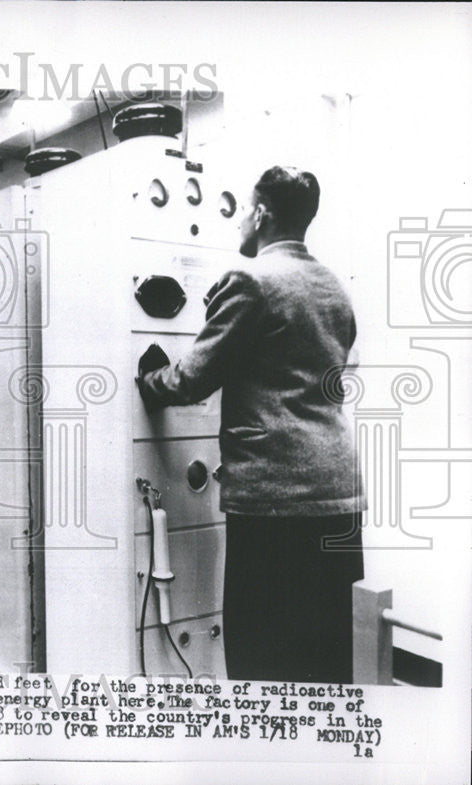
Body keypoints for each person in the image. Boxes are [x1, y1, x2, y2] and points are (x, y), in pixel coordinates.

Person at [136, 165, 366, 684]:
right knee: (329, 650)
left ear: (261, 214)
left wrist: (150, 379)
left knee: (263, 648)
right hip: (338, 492)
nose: (240, 221)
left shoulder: (250, 280)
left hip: (275, 495)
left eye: (243, 210)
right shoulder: (334, 286)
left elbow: (194, 378)